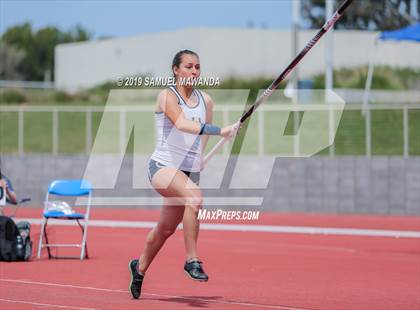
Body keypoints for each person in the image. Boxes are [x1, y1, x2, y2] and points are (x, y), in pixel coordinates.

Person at [128, 50, 239, 299]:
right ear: (176, 70)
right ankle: (192, 260)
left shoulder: (206, 101)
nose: (194, 71)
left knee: (165, 229)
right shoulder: (167, 96)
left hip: (189, 171)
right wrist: (222, 129)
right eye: (188, 66)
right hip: (162, 168)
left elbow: (203, 137)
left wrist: (200, 158)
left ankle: (139, 268)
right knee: (195, 198)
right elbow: (182, 124)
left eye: (197, 67)